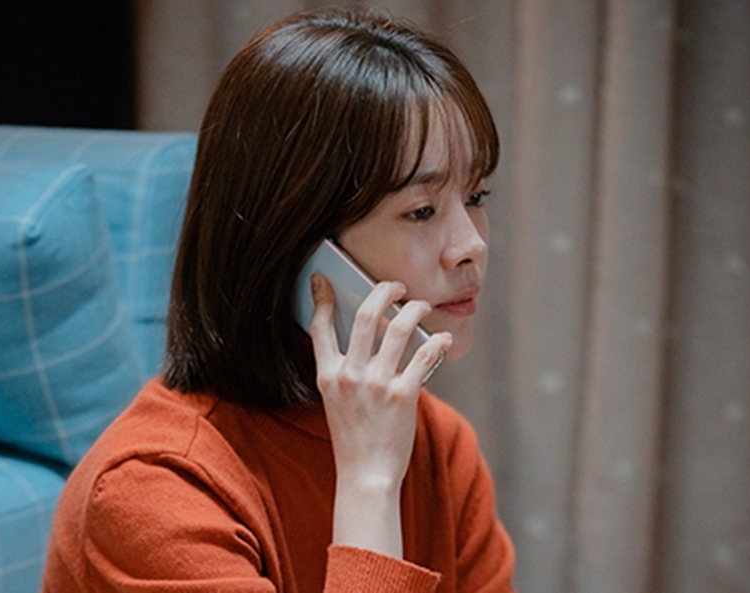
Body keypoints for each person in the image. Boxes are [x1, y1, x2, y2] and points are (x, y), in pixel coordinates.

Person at [42, 7, 515, 592]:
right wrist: (370, 483)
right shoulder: (154, 489)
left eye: (476, 196)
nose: (471, 246)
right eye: (421, 211)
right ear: (299, 250)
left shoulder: (438, 446)